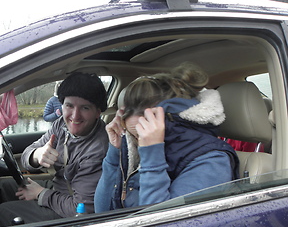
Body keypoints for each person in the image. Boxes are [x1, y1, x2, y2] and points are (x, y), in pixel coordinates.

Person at [94, 62, 240, 212]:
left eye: (142, 135)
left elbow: (159, 225)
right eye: (133, 135)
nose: (139, 141)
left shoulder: (212, 161)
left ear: (165, 122)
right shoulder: (141, 147)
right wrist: (114, 154)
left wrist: (152, 155)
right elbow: (102, 210)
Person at [0, 72, 109, 227]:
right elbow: (28, 154)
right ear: (62, 105)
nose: (75, 116)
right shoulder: (61, 125)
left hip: (72, 212)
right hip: (59, 189)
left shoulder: (98, 149)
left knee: (0, 214)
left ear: (98, 112)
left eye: (85, 108)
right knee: (0, 189)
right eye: (69, 106)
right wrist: (37, 155)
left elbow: (82, 210)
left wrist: (41, 194)